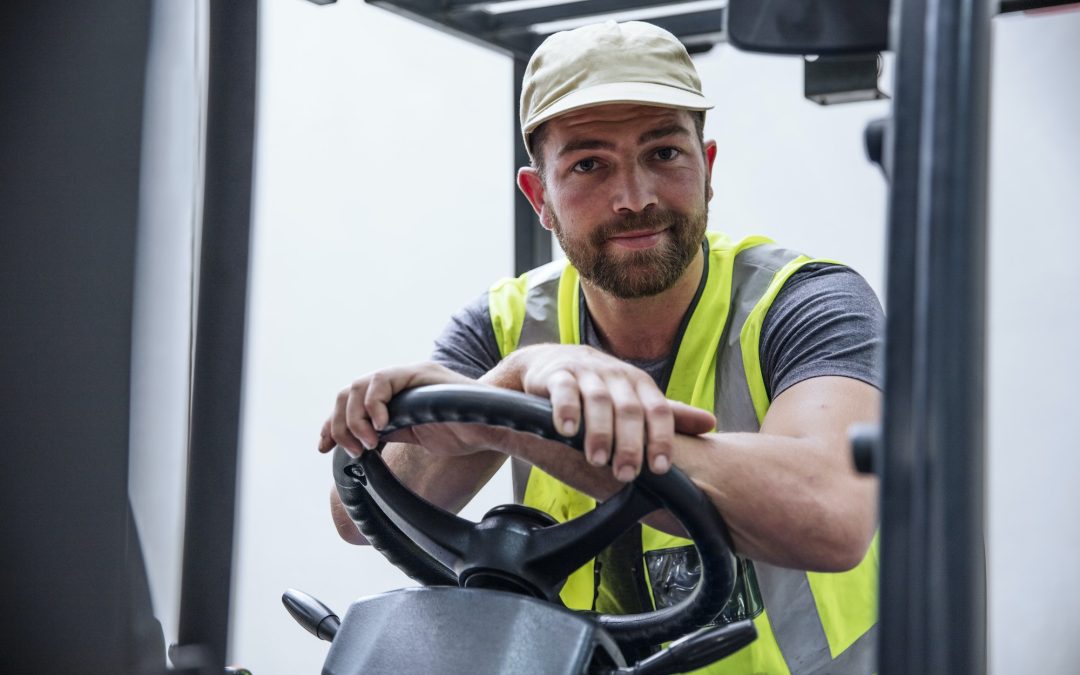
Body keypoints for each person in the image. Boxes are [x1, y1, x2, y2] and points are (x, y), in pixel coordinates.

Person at [319, 20, 882, 674]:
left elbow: (832, 517)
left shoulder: (807, 303)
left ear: (708, 168)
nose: (634, 198)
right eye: (589, 164)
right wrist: (514, 382)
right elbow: (358, 512)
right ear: (541, 199)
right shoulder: (504, 324)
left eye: (665, 154)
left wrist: (510, 416)